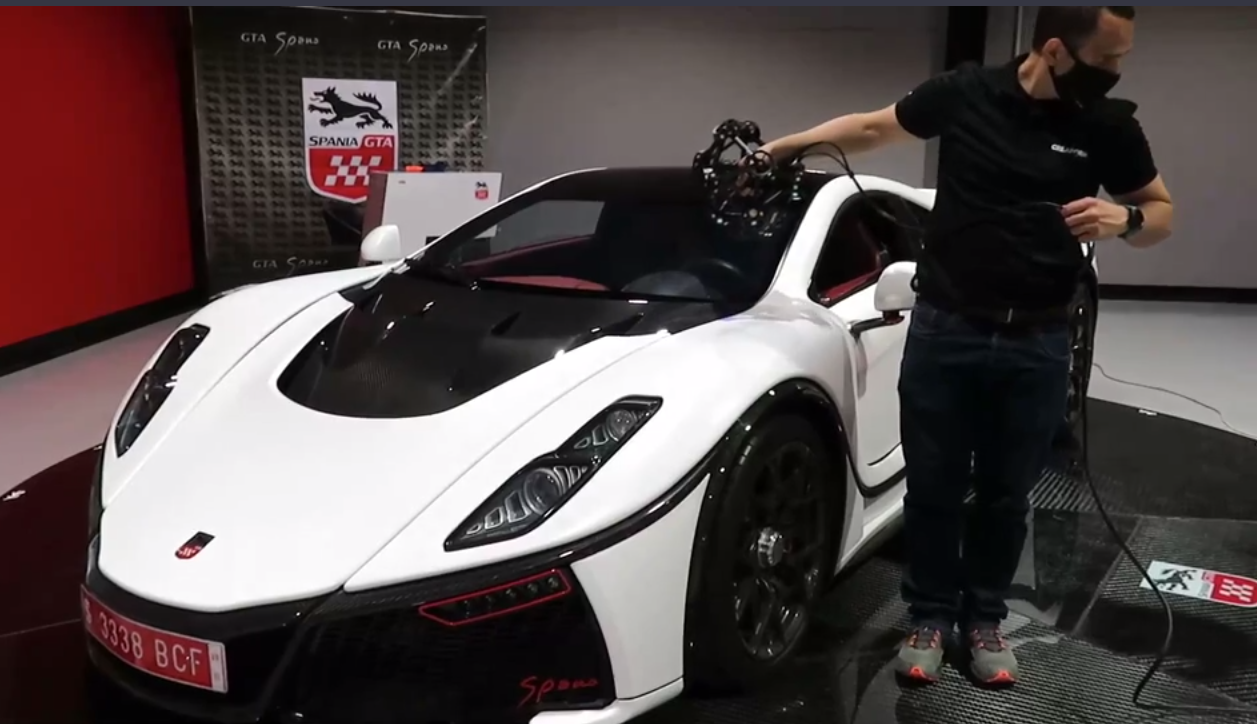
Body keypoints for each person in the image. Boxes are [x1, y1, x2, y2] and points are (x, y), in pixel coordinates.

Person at [758, 6, 1173, 686]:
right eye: (1106, 60)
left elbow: (1161, 213)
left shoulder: (1108, 126)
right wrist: (783, 148)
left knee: (1006, 494)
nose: (1115, 73)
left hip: (1038, 338)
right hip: (946, 328)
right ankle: (927, 615)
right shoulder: (966, 94)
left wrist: (1123, 218)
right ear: (1054, 50)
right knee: (933, 488)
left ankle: (983, 619)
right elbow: (871, 127)